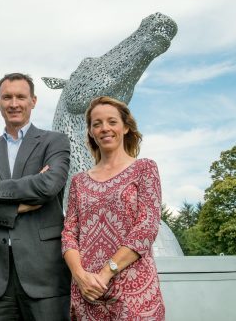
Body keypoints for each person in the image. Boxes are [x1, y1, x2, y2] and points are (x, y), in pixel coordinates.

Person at [0, 72, 72, 320]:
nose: (14, 103)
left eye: (20, 97)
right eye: (7, 97)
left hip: (45, 274)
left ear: (33, 101)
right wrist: (17, 208)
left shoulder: (54, 142)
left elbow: (48, 185)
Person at [61, 96, 165, 320]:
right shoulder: (78, 182)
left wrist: (105, 273)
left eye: (111, 121)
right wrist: (80, 276)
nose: (104, 128)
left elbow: (146, 227)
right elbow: (69, 233)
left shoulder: (144, 169)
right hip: (88, 293)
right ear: (90, 131)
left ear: (126, 127)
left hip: (133, 293)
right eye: (96, 124)